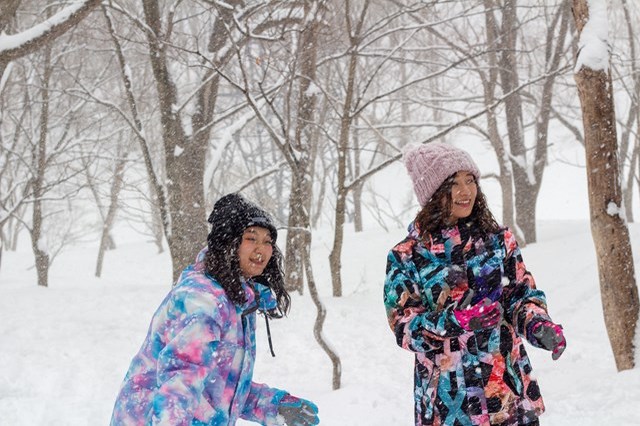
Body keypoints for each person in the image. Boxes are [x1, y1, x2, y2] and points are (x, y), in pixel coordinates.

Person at [383, 143, 566, 426]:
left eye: (470, 180)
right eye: (453, 183)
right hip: (448, 407)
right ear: (433, 192)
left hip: (507, 396)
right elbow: (405, 328)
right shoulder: (408, 256)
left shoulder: (498, 241)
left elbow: (520, 295)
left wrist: (537, 324)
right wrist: (454, 321)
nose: (465, 191)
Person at [110, 193, 319, 426]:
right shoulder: (203, 300)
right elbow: (178, 386)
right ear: (228, 242)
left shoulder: (238, 299)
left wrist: (272, 405)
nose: (262, 249)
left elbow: (220, 386)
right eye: (251, 238)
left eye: (268, 241)